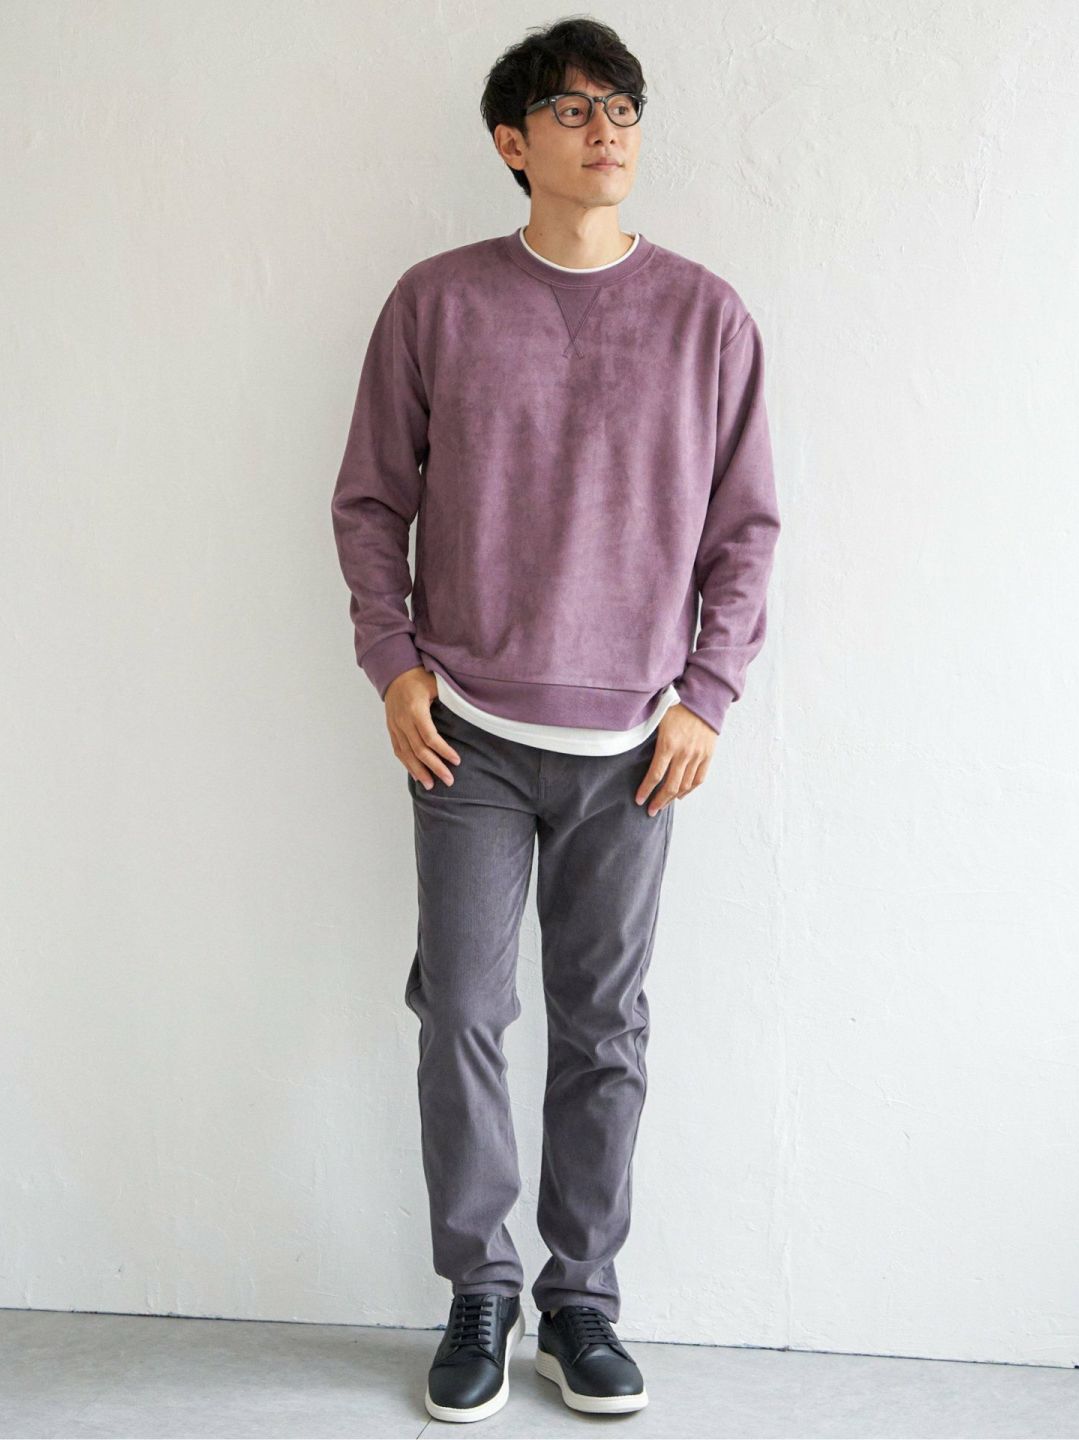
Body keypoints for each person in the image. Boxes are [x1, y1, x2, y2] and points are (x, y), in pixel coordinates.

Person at [330, 17, 781, 1424]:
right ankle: (480, 1288)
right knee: (462, 1013)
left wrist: (708, 695)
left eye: (624, 108)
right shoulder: (437, 303)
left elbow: (747, 531)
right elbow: (370, 501)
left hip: (635, 748)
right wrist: (394, 666)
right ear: (512, 142)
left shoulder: (708, 316)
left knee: (604, 1029)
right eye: (576, 110)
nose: (608, 131)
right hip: (464, 731)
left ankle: (581, 1300)